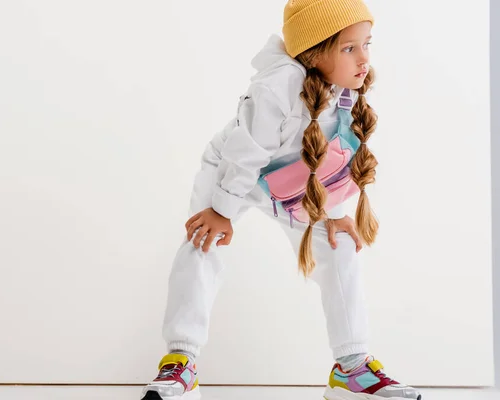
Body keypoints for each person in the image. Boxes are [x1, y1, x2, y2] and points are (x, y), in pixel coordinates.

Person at [141, 1, 421, 399]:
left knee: (340, 248)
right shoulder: (279, 85)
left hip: (291, 186)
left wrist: (337, 213)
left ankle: (351, 369)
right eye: (348, 48)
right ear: (315, 52)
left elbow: (334, 156)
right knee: (202, 241)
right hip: (233, 174)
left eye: (367, 44)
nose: (364, 59)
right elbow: (248, 151)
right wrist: (222, 211)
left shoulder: (348, 88)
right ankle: (179, 362)